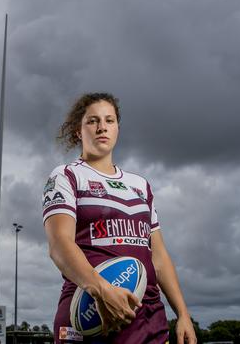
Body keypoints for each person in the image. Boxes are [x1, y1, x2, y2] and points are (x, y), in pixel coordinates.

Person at [43, 93, 196, 344]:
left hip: (148, 317)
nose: (102, 127)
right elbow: (59, 244)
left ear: (117, 128)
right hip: (92, 313)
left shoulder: (140, 185)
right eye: (92, 121)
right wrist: (102, 290)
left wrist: (183, 313)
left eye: (109, 120)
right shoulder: (66, 176)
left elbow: (158, 257)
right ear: (78, 131)